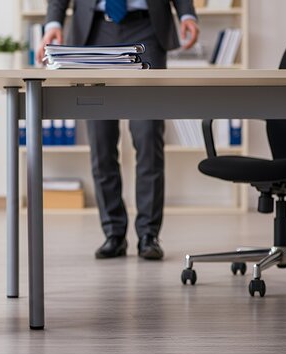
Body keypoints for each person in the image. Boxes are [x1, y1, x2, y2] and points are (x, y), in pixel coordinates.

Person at [36, 0, 199, 260]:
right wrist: (53, 23)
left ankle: (148, 234)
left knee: (148, 136)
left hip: (147, 29)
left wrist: (187, 13)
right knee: (101, 139)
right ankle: (113, 233)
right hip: (93, 32)